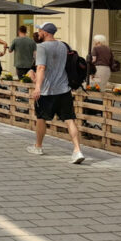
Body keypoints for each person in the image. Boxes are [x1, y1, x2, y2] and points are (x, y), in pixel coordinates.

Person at [28, 22, 84, 164]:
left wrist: (37, 87)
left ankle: (38, 147)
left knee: (41, 118)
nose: (38, 32)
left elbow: (41, 68)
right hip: (64, 89)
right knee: (70, 119)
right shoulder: (63, 46)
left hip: (47, 91)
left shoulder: (41, 47)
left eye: (40, 30)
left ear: (45, 33)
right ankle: (77, 150)